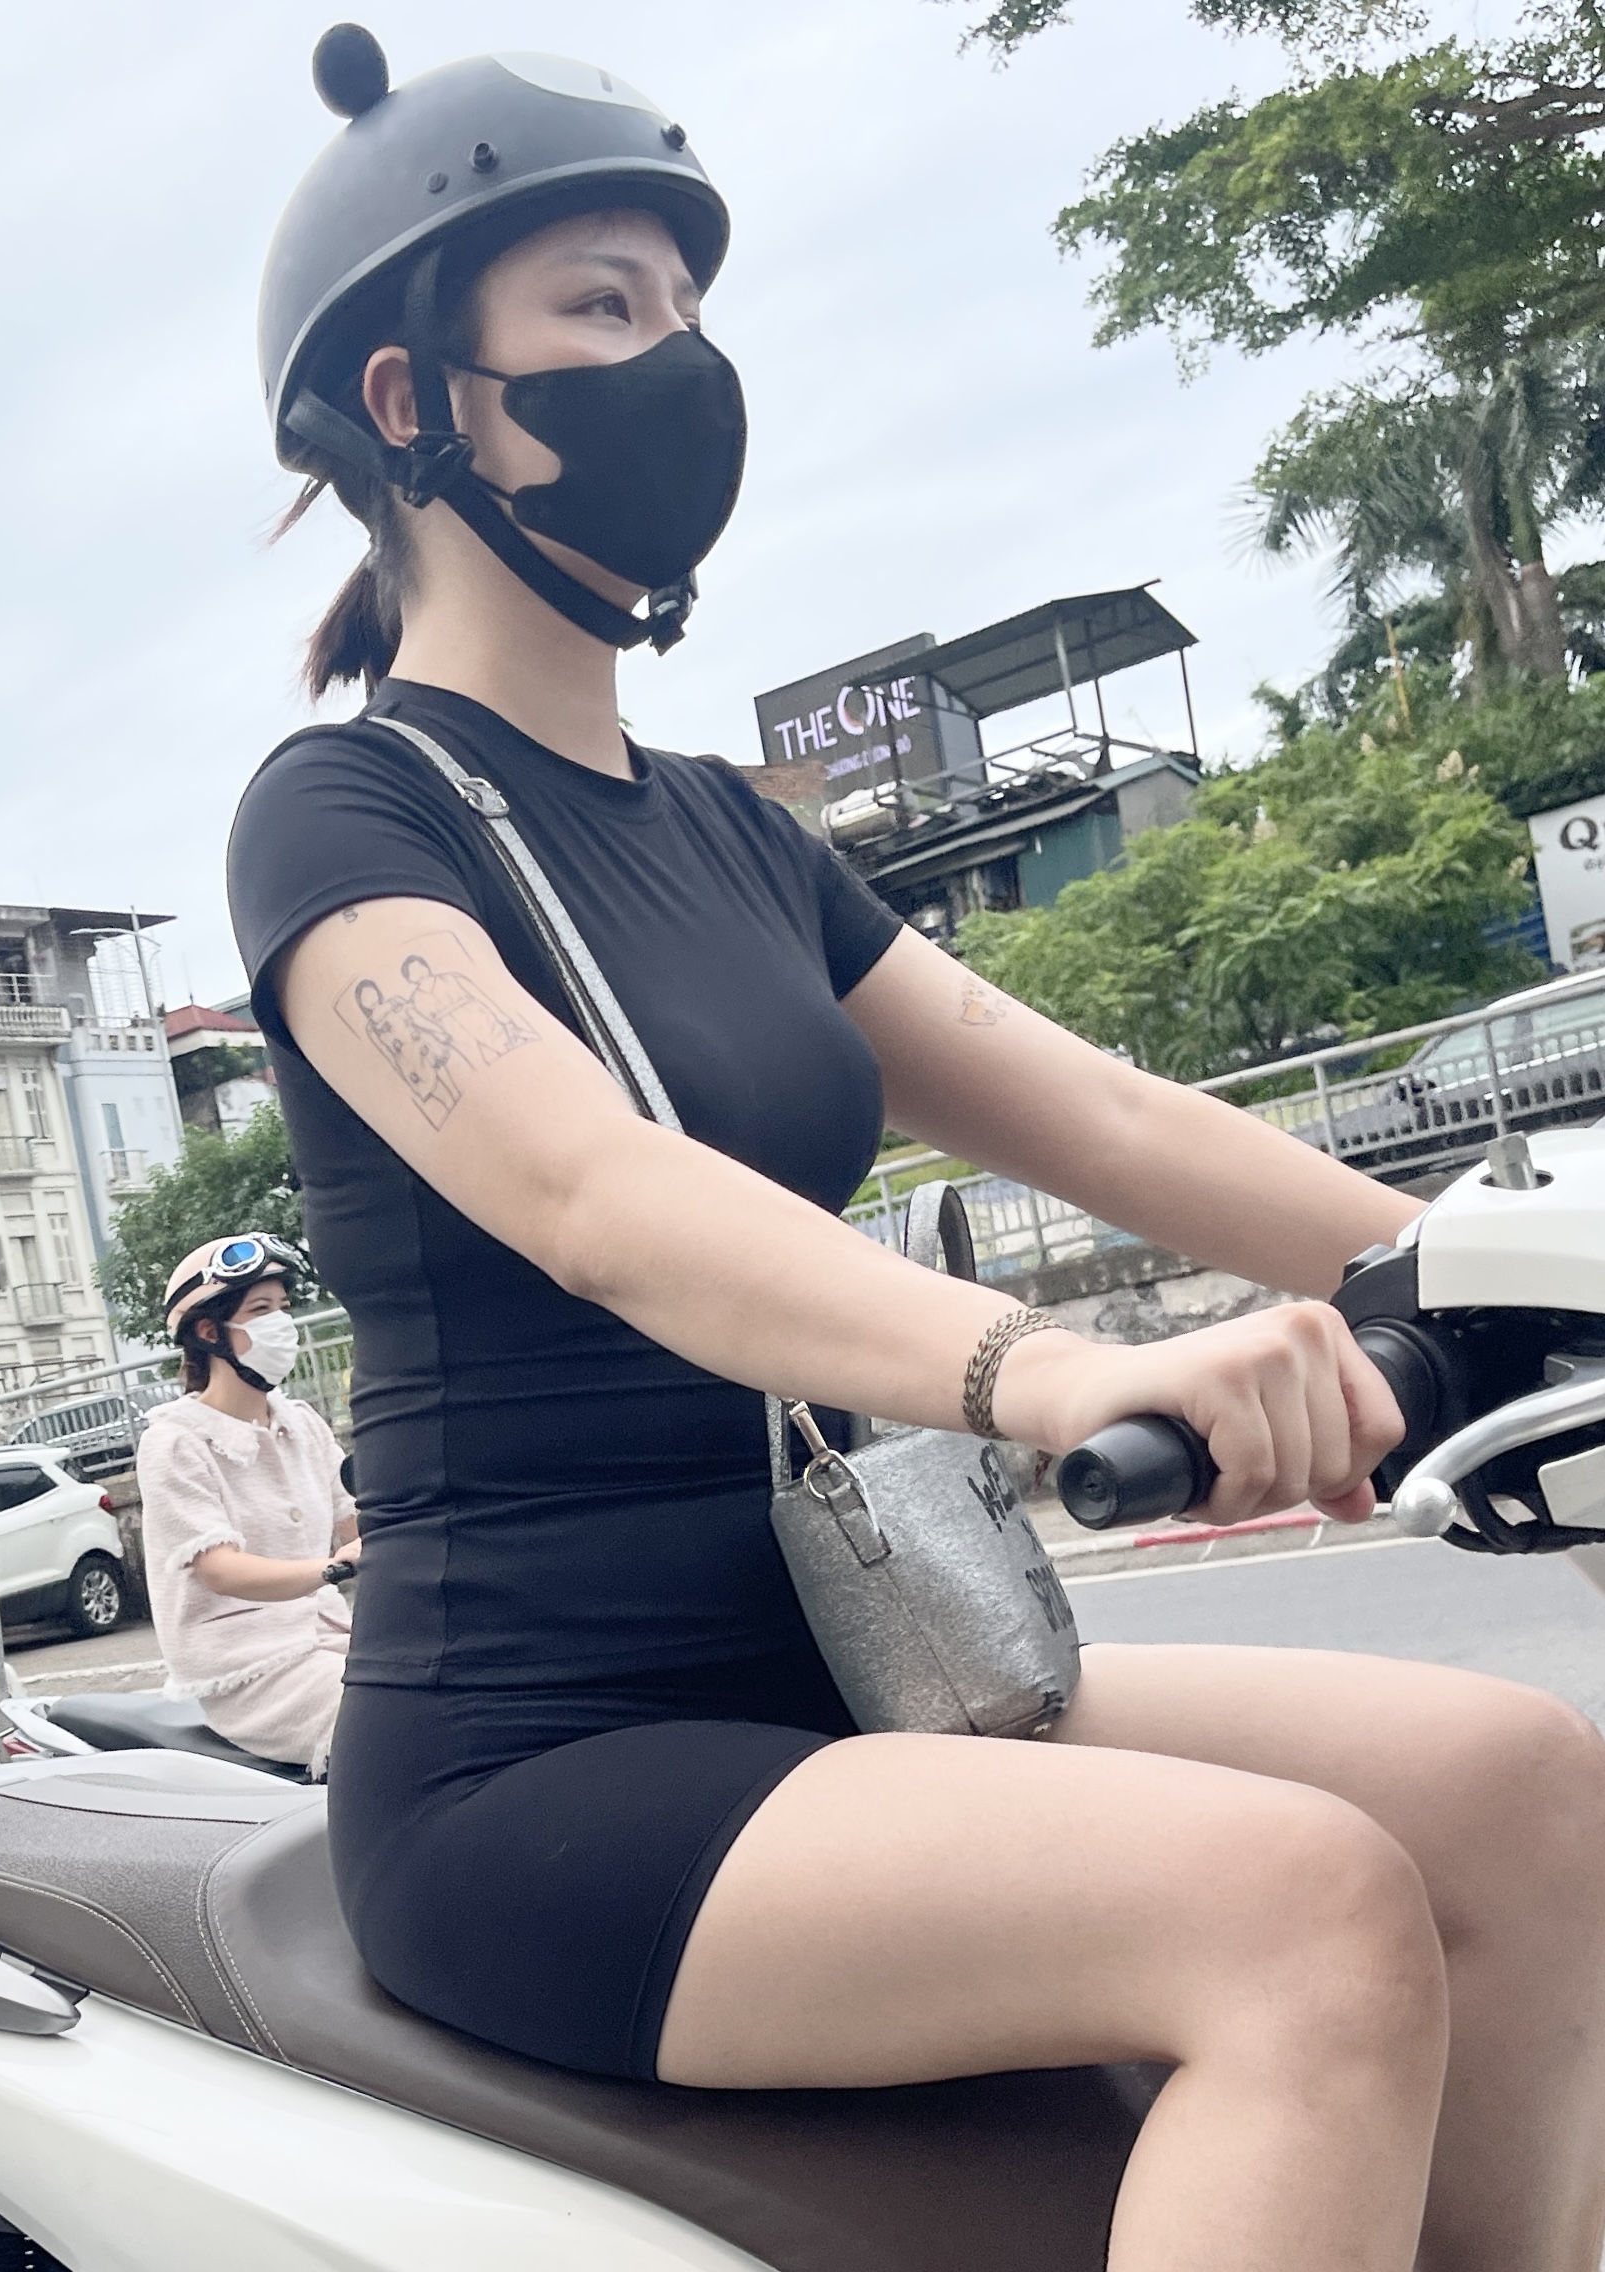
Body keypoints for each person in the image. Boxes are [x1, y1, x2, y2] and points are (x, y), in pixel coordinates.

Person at [226, 30, 1605, 2269]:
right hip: (540, 1758)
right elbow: (598, 1198)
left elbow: (1115, 1115)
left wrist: (1515, 1256)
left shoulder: (732, 834)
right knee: (1302, 1912)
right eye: (601, 307)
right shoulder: (348, 814)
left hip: (861, 1666)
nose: (679, 365)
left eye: (690, 311)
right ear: (411, 401)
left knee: (1522, 1783)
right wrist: (1050, 1369)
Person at [137, 1236, 359, 1776]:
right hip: (253, 1669)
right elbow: (220, 1569)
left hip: (336, 1639)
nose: (282, 1324)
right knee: (389, 1725)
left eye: (284, 1307)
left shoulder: (302, 1424)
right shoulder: (175, 1442)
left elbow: (357, 1520)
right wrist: (334, 1568)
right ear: (209, 1332)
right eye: (261, 1310)